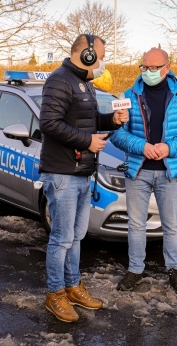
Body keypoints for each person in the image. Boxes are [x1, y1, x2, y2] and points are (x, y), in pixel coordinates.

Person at [39, 33, 129, 323]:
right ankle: (55, 294)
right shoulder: (60, 79)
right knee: (62, 238)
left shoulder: (85, 83)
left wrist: (110, 121)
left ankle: (73, 286)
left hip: (81, 172)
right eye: (100, 57)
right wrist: (86, 142)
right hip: (63, 172)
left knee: (77, 236)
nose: (102, 63)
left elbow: (86, 121)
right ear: (87, 54)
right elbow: (49, 123)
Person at [110, 48, 177, 295]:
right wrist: (143, 147)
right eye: (145, 68)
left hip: (169, 171)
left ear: (167, 67)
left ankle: (174, 270)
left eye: (154, 68)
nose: (149, 72)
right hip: (138, 171)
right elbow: (117, 134)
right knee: (136, 224)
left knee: (171, 224)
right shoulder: (129, 95)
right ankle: (135, 270)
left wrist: (169, 147)